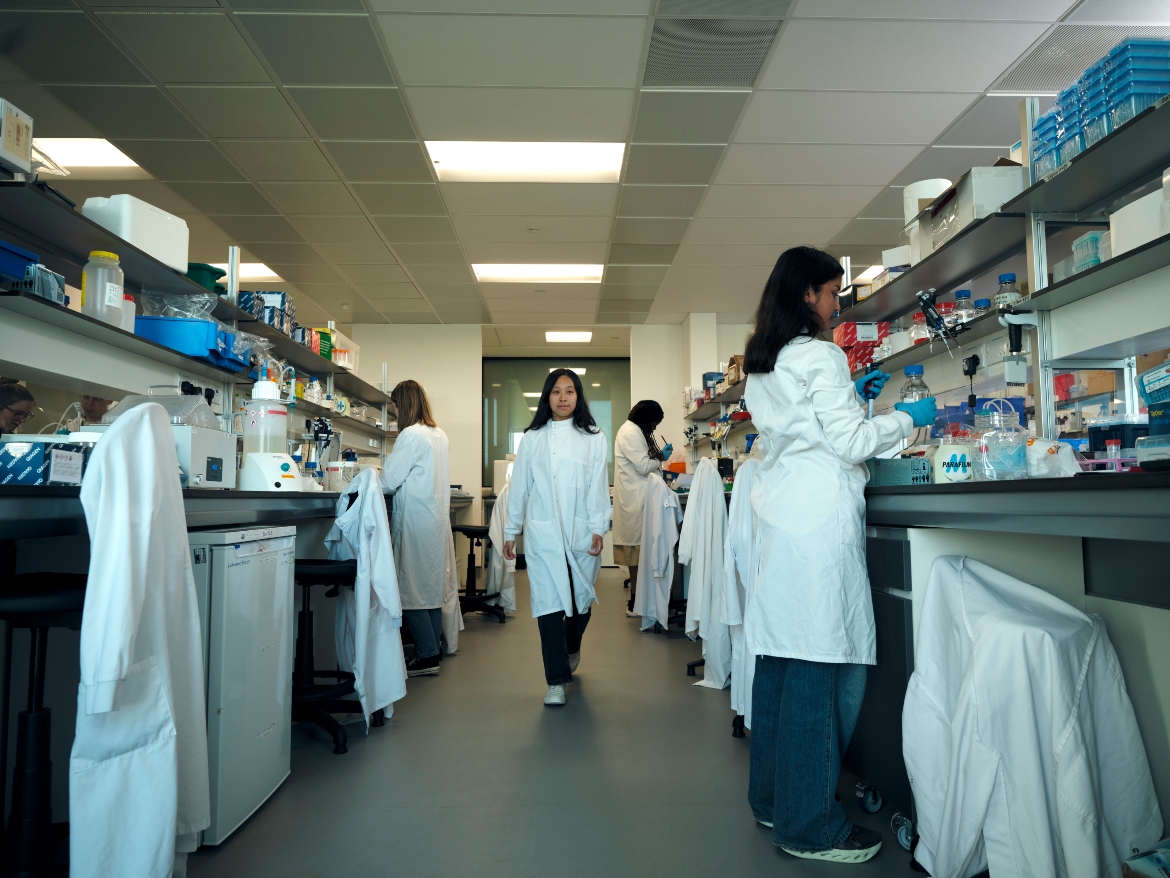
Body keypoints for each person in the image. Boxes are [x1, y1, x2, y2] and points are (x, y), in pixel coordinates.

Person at [742, 246, 936, 864]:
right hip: (819, 525)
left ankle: (773, 799)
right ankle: (809, 826)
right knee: (817, 675)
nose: (835, 303)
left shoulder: (764, 363)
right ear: (807, 296)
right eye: (830, 293)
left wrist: (848, 390)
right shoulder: (818, 354)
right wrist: (907, 419)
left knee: (779, 667)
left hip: (782, 522)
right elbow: (849, 442)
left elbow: (803, 428)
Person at [502, 369, 610, 707]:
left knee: (581, 602)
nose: (563, 398)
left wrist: (598, 526)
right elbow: (520, 487)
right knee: (548, 605)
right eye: (556, 392)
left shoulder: (593, 437)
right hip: (543, 532)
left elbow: (597, 485)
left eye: (570, 391)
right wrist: (510, 530)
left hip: (581, 532)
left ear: (578, 397)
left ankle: (572, 645)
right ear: (547, 398)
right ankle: (556, 681)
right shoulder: (533, 438)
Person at [380, 379, 452, 677]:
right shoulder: (439, 434)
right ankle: (432, 648)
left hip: (414, 520)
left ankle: (425, 655)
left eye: (395, 405)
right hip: (433, 521)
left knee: (409, 587)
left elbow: (388, 481)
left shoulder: (410, 435)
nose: (394, 411)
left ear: (403, 404)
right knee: (429, 588)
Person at [612, 400, 671, 617]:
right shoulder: (630, 433)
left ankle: (640, 600)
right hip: (635, 500)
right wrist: (661, 458)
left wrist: (658, 458)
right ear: (646, 419)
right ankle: (636, 603)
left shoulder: (634, 430)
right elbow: (643, 466)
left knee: (640, 553)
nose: (654, 429)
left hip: (639, 497)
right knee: (637, 554)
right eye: (654, 424)